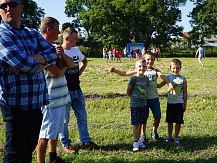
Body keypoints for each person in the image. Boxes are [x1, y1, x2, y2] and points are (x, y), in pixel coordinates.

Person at [0, 0, 58, 162]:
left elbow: (52, 53)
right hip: (15, 103)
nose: (7, 8)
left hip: (36, 101)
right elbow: (21, 63)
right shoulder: (1, 34)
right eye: (3, 6)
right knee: (13, 154)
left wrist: (33, 62)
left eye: (12, 4)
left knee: (27, 151)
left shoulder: (31, 33)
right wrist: (38, 62)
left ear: (21, 7)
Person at [109, 51, 172, 143]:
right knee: (144, 119)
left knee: (157, 116)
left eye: (152, 60)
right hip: (143, 100)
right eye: (147, 59)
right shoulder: (140, 69)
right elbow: (125, 73)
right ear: (144, 60)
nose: (150, 62)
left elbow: (163, 77)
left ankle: (154, 132)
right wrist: (115, 70)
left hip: (154, 98)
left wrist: (169, 84)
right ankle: (143, 135)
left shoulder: (156, 71)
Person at [36, 17, 74, 163]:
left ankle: (53, 158)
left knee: (55, 133)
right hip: (49, 99)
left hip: (61, 98)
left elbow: (72, 65)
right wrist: (64, 65)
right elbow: (57, 72)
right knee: (44, 136)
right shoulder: (41, 50)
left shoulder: (53, 48)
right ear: (49, 29)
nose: (59, 32)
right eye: (57, 29)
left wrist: (62, 55)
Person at [59, 27, 99, 153]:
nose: (77, 41)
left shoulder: (76, 51)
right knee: (65, 119)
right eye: (75, 38)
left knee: (82, 116)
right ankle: (66, 144)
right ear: (66, 38)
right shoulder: (58, 52)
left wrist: (79, 73)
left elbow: (84, 61)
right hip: (64, 92)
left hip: (77, 90)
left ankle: (86, 141)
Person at [158, 59, 187, 144]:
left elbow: (185, 93)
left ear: (180, 68)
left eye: (177, 68)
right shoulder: (168, 77)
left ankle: (176, 137)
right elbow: (160, 85)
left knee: (178, 121)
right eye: (173, 68)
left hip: (179, 103)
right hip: (170, 103)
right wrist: (152, 84)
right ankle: (169, 137)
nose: (175, 70)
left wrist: (185, 104)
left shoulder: (183, 79)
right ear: (170, 68)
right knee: (170, 121)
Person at [126, 59, 149, 151]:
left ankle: (140, 141)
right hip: (135, 105)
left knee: (142, 123)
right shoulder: (133, 79)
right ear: (136, 67)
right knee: (136, 124)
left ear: (146, 67)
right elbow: (128, 91)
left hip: (144, 104)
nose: (142, 68)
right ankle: (135, 142)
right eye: (139, 66)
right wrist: (134, 98)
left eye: (144, 66)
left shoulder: (146, 79)